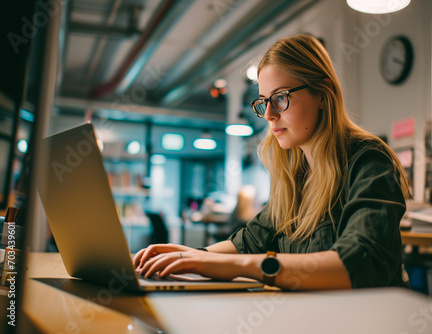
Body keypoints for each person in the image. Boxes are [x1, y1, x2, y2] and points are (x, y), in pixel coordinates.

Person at [134, 33, 411, 290]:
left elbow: (359, 264)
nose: (268, 114)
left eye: (280, 98)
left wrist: (229, 265)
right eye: (264, 101)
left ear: (323, 96)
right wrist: (188, 255)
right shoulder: (296, 172)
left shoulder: (369, 159)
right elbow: (249, 242)